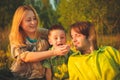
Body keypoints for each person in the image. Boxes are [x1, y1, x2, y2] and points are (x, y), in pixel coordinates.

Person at [9, 5, 70, 80]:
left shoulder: (44, 33)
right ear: (20, 23)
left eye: (34, 18)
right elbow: (26, 57)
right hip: (20, 76)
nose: (33, 22)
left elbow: (58, 37)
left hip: (42, 76)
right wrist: (54, 52)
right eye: (28, 20)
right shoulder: (15, 36)